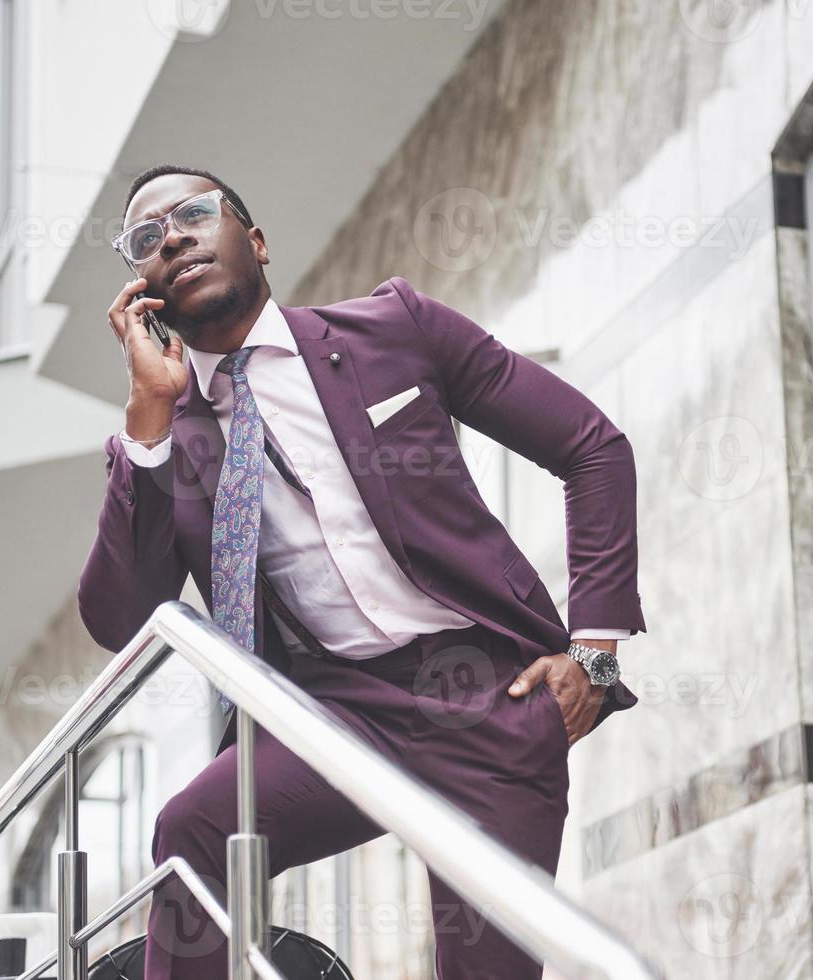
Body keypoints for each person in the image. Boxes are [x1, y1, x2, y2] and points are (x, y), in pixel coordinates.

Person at [77, 163, 647, 979]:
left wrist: (594, 651)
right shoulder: (164, 438)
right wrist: (149, 420)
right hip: (333, 710)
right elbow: (120, 620)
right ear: (145, 289)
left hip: (488, 694)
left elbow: (592, 448)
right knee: (194, 830)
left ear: (258, 241)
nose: (171, 235)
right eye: (145, 238)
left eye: (194, 214)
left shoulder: (395, 330)